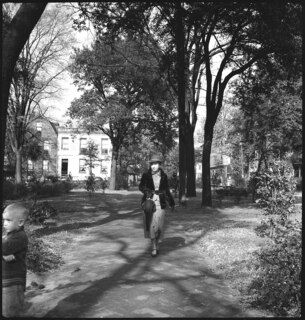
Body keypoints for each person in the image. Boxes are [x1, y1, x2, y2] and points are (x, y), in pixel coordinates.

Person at [139, 154, 175, 257]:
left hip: (161, 203)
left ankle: (157, 242)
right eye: (151, 164)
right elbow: (141, 186)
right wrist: (147, 191)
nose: (153, 166)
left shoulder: (164, 176)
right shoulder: (146, 175)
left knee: (159, 227)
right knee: (151, 226)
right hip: (149, 202)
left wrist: (172, 203)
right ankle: (154, 247)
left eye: (155, 164)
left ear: (159, 164)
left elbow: (167, 190)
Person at [2, 203, 29, 317]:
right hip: (6, 280)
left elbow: (5, 247)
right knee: (7, 309)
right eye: (3, 220)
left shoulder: (20, 237)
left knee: (12, 311)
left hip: (14, 282)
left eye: (8, 220)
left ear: (20, 222)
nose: (4, 224)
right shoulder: (9, 234)